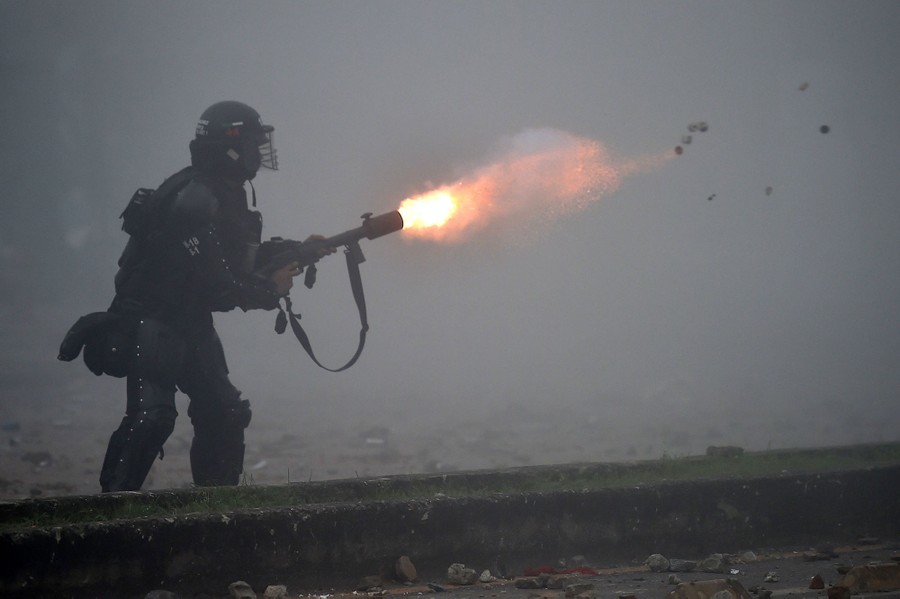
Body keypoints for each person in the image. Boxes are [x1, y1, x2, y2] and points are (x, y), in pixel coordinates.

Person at [95, 100, 319, 492]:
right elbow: (220, 286)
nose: (258, 153)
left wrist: (300, 250)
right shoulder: (194, 199)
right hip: (152, 322)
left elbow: (234, 260)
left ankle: (216, 505)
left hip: (189, 320)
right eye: (251, 143)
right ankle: (108, 512)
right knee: (153, 417)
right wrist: (271, 288)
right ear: (229, 146)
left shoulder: (223, 193)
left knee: (224, 411)